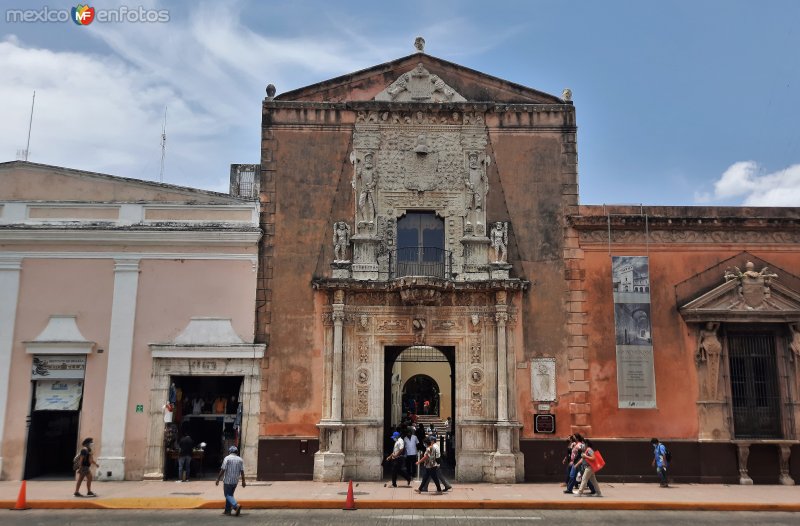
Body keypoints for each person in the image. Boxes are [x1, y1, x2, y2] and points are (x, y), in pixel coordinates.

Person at [215, 445, 246, 516]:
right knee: (230, 495)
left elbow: (223, 469)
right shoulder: (240, 459)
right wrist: (244, 481)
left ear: (230, 452)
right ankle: (227, 511)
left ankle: (235, 506)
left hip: (228, 481)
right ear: (236, 452)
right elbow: (242, 471)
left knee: (227, 495)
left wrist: (218, 479)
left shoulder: (227, 458)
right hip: (235, 481)